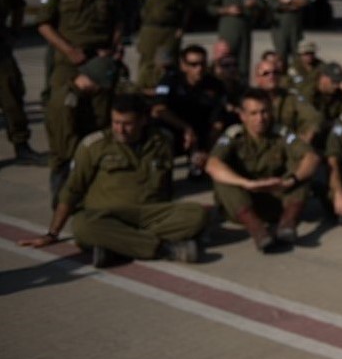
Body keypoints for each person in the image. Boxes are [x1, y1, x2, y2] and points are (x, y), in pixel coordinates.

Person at [19, 94, 207, 268]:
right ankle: (165, 249)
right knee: (82, 226)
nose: (120, 129)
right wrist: (52, 234)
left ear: (143, 120)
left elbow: (167, 185)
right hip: (108, 216)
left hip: (150, 214)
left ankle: (116, 249)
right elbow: (72, 190)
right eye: (116, 122)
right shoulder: (94, 145)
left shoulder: (162, 141)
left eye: (127, 124)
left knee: (196, 214)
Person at [206, 88, 320, 250]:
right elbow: (212, 164)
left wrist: (290, 181)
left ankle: (287, 224)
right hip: (243, 203)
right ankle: (257, 229)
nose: (260, 119)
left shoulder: (280, 132)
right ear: (242, 116)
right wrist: (246, 183)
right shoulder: (234, 135)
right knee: (223, 178)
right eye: (253, 113)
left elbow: (311, 157)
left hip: (275, 197)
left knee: (302, 170)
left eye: (264, 112)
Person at [45, 56, 119, 204]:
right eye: (100, 85)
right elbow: (66, 144)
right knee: (66, 203)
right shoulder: (66, 103)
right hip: (68, 166)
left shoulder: (81, 96)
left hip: (79, 158)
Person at [150, 45, 228, 180]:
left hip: (201, 132)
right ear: (183, 66)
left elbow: (218, 121)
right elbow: (159, 109)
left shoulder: (215, 85)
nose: (199, 68)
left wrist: (209, 149)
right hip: (175, 128)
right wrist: (186, 128)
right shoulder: (170, 81)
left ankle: (201, 163)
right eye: (193, 64)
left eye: (202, 63)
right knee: (162, 135)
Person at [129, 0, 190, 89]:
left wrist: (182, 27)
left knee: (165, 66)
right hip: (151, 28)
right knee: (147, 64)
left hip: (168, 31)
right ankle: (144, 92)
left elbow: (185, 7)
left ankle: (162, 94)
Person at [0, 0, 42, 163]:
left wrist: (14, 33)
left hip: (1, 51)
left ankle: (22, 146)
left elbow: (18, 6)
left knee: (13, 98)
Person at [207, 0, 260, 82]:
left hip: (245, 31)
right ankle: (223, 86)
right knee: (226, 59)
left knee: (243, 63)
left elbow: (261, 10)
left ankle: (242, 88)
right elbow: (211, 8)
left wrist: (254, 6)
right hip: (228, 30)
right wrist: (226, 10)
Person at [253, 57, 322, 143]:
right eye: (266, 73)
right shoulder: (250, 100)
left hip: (286, 144)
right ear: (257, 78)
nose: (272, 76)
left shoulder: (291, 98)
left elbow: (313, 116)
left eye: (276, 73)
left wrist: (307, 134)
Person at [263, 0, 315, 69]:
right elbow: (273, 3)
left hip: (296, 26)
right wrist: (295, 2)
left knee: (298, 54)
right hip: (280, 27)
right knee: (281, 55)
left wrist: (289, 0)